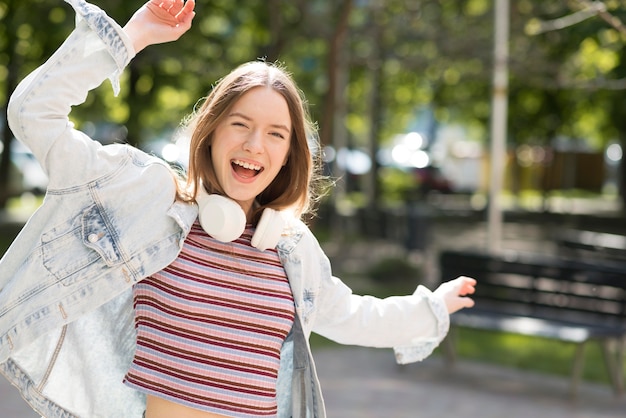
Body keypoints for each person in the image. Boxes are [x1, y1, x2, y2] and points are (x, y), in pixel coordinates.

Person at [0, 0, 477, 417]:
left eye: (276, 133)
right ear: (210, 133)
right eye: (241, 124)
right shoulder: (151, 199)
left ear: (289, 155)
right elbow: (33, 114)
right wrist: (135, 35)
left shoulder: (290, 249)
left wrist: (430, 308)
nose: (255, 144)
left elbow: (351, 315)